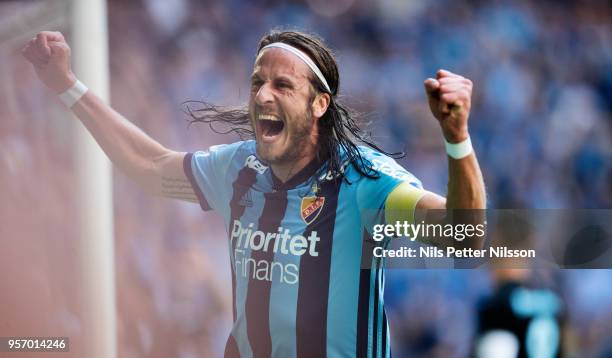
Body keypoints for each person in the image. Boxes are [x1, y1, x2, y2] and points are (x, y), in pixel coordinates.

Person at [22, 30, 485, 357]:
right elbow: (148, 166)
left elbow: (463, 238)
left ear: (319, 104)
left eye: (282, 85)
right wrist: (67, 86)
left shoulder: (366, 180)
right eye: (257, 82)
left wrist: (456, 137)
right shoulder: (238, 168)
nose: (263, 95)